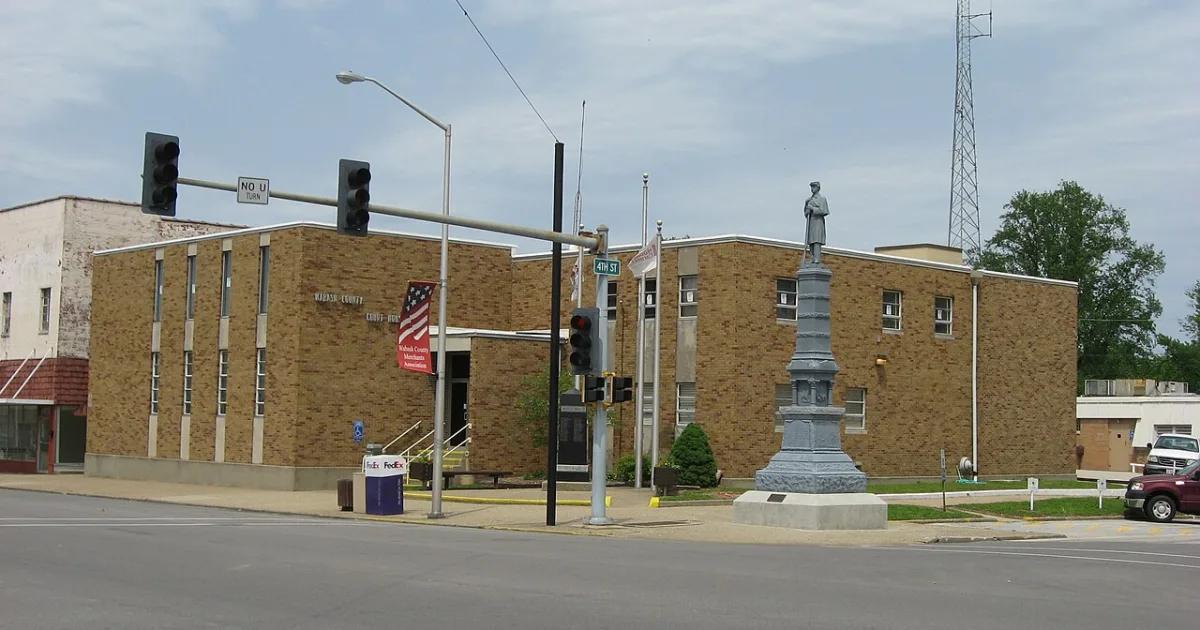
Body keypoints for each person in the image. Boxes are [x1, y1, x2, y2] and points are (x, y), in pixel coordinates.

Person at [803, 181, 828, 264]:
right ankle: (812, 258)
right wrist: (807, 210)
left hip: (818, 222)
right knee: (811, 241)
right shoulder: (808, 200)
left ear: (818, 188)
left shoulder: (822, 199)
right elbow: (805, 213)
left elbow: (824, 211)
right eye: (811, 187)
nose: (812, 189)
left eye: (814, 187)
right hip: (811, 222)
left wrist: (813, 208)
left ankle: (817, 258)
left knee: (817, 240)